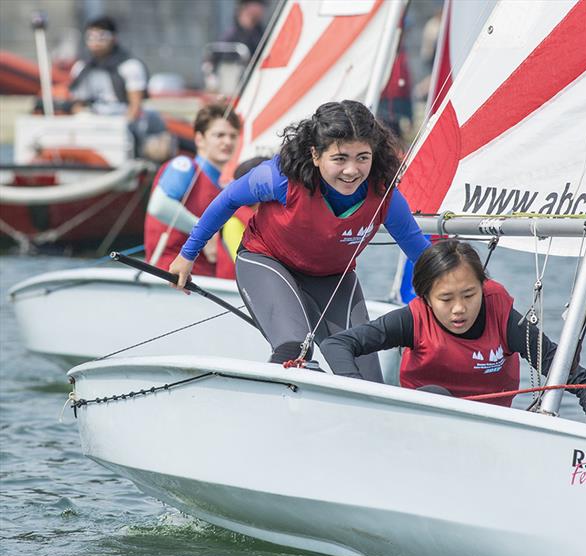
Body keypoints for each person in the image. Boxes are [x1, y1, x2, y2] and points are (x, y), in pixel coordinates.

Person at [169, 100, 430, 381]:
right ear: (316, 155)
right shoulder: (279, 177)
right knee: (294, 351)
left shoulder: (384, 194)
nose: (352, 170)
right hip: (267, 262)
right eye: (340, 158)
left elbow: (421, 253)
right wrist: (188, 254)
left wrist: (470, 292)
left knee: (366, 378)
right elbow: (228, 199)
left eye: (362, 157)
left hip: (332, 279)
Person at [321, 240, 586, 427]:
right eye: (446, 300)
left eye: (470, 295)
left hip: (490, 432)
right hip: (423, 430)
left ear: (483, 288)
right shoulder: (412, 319)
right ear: (425, 297)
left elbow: (581, 381)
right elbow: (337, 344)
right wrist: (359, 403)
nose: (459, 309)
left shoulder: (504, 319)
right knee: (436, 395)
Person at [144, 103, 241, 276]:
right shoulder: (184, 166)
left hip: (205, 281)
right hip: (170, 276)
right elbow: (159, 206)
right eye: (219, 135)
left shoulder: (226, 187)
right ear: (199, 139)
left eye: (233, 136)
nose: (227, 141)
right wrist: (205, 232)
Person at [68, 15, 167, 158]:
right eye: (91, 37)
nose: (96, 42)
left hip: (121, 122)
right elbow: (76, 104)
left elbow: (135, 107)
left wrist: (118, 129)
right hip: (92, 122)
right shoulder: (81, 68)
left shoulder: (130, 66)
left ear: (114, 38)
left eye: (102, 36)